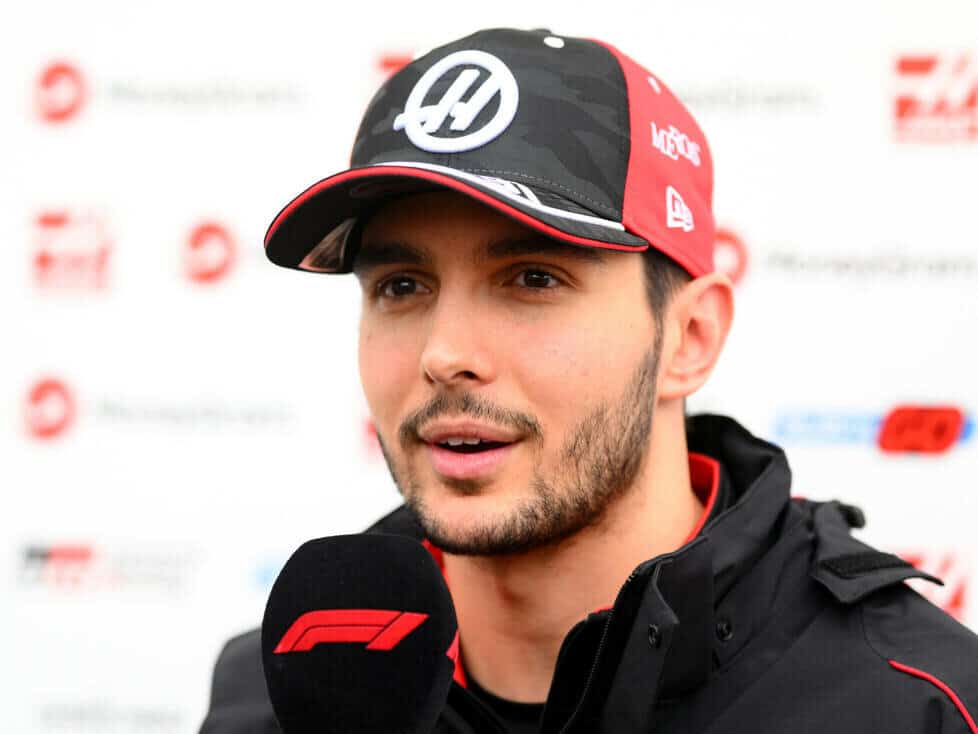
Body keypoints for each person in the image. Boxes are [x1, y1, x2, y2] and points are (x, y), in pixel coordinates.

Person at [199, 27, 978, 733]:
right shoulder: (281, 697)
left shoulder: (912, 706)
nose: (444, 353)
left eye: (532, 279)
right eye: (401, 286)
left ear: (690, 338)